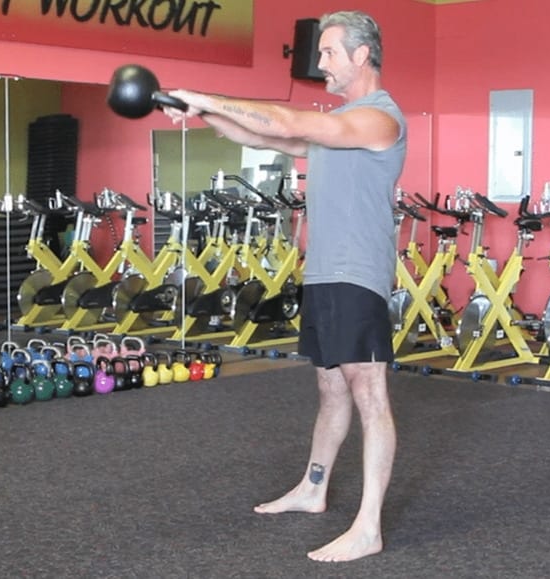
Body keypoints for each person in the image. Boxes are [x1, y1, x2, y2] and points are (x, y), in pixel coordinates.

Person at [164, 10, 406, 563]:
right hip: (323, 272)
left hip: (356, 274)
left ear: (361, 55)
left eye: (329, 53)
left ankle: (368, 527)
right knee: (330, 388)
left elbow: (286, 121)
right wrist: (202, 113)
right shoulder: (338, 122)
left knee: (369, 392)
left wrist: (206, 96)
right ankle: (313, 488)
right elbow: (263, 133)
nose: (320, 63)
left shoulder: (378, 119)